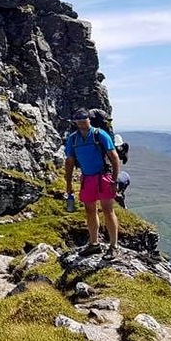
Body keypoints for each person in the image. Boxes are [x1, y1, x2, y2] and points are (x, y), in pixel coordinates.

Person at [64, 107, 121, 257]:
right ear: (75, 123)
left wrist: (114, 180)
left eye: (85, 121)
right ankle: (94, 243)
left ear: (89, 120)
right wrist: (68, 183)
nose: (83, 124)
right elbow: (69, 162)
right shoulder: (73, 139)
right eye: (79, 122)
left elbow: (114, 158)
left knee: (108, 211)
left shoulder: (100, 134)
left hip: (103, 177)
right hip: (87, 178)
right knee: (90, 211)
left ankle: (113, 246)